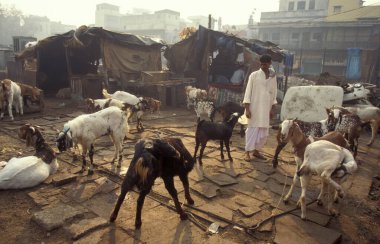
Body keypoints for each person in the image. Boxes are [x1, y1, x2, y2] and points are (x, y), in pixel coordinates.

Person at [243, 54, 277, 162]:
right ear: (260, 63)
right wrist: (247, 109)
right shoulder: (254, 75)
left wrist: (273, 108)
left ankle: (256, 151)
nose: (263, 66)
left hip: (266, 107)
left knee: (263, 132)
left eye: (266, 64)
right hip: (254, 107)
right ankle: (247, 152)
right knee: (252, 130)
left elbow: (274, 92)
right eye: (262, 64)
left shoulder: (273, 76)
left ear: (270, 63)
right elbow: (248, 92)